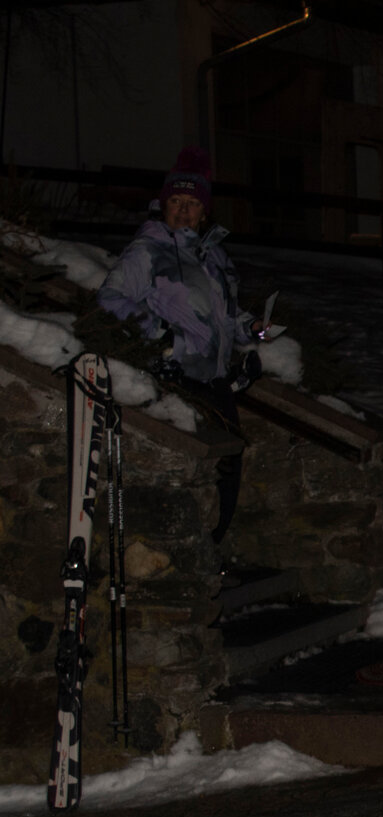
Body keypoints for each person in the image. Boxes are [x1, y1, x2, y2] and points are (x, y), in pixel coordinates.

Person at [97, 145, 269, 541]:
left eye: (192, 204)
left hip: (216, 381)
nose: (184, 210)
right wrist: (162, 333)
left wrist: (253, 328)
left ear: (204, 211)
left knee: (229, 467)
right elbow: (110, 299)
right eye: (176, 201)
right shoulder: (148, 250)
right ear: (163, 205)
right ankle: (197, 552)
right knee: (196, 471)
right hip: (177, 376)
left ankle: (214, 550)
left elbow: (223, 317)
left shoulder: (214, 257)